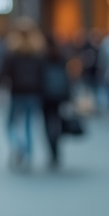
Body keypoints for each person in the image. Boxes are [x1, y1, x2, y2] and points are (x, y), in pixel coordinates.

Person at [0, 19, 46, 170]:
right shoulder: (38, 52)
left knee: (10, 123)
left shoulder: (12, 52)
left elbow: (5, 73)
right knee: (28, 125)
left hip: (17, 92)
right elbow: (42, 75)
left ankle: (18, 145)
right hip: (33, 92)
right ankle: (28, 153)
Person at [40, 36, 72, 169]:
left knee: (47, 122)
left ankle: (52, 148)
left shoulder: (41, 58)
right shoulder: (61, 57)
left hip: (45, 95)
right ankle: (56, 147)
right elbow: (68, 76)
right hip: (59, 93)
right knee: (57, 120)